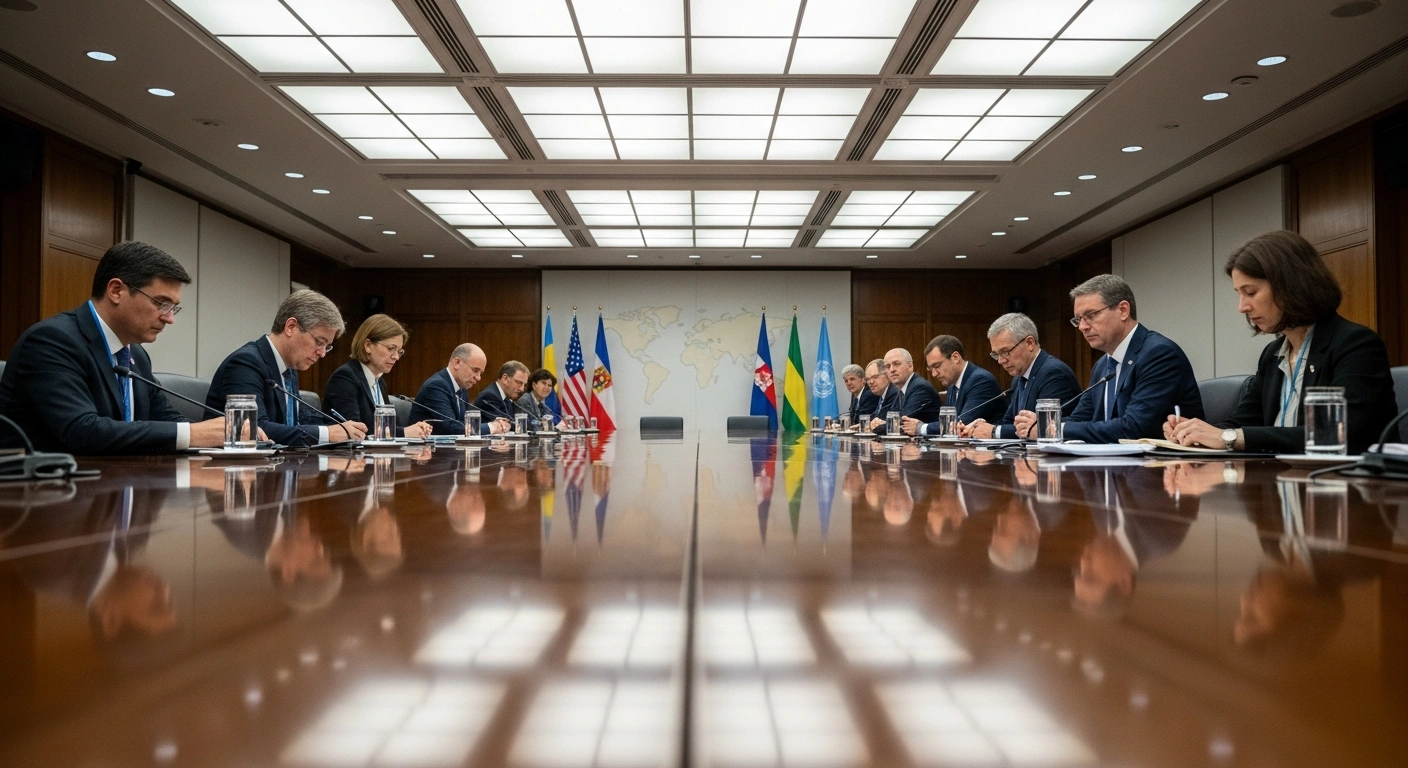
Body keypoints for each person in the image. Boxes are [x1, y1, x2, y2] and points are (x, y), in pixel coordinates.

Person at [1164, 230, 1397, 454]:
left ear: (1291, 286)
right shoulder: (1273, 354)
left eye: (1251, 292)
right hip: (1281, 482)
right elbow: (1243, 422)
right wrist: (1195, 431)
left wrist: (1228, 438)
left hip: (1350, 486)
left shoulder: (1355, 345)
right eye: (1239, 293)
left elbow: (1334, 434)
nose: (1242, 307)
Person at [0, 241, 228, 454]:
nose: (169, 319)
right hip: (41, 489)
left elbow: (163, 416)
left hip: (114, 482)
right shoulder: (51, 341)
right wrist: (194, 434)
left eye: (173, 308)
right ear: (116, 290)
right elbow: (81, 431)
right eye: (161, 303)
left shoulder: (135, 353)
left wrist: (223, 437)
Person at [206, 289, 366, 446]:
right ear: (291, 327)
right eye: (319, 342)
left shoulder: (289, 369)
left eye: (327, 346)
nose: (322, 353)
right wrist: (328, 433)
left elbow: (294, 424)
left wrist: (340, 429)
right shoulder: (245, 363)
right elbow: (255, 429)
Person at [1059, 275, 1204, 443]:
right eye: (1078, 319)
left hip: (1166, 466)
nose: (1083, 326)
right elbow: (1080, 419)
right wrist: (1045, 427)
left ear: (1123, 310)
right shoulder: (1102, 365)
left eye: (1091, 315)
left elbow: (1134, 428)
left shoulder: (1159, 354)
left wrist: (1058, 429)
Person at [962, 313, 1081, 439]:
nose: (1001, 361)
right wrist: (980, 426)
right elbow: (1009, 422)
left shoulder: (1054, 373)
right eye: (996, 354)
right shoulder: (1019, 377)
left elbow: (1045, 428)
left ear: (1029, 343)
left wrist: (994, 431)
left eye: (1005, 352)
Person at [322, 314, 432, 439]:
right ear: (368, 345)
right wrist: (406, 432)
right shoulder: (345, 378)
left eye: (399, 351)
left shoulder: (379, 381)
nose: (396, 357)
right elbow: (356, 431)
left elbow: (388, 427)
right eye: (391, 348)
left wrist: (415, 430)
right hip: (346, 457)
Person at [904, 334, 1002, 436]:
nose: (934, 374)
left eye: (937, 366)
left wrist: (922, 428)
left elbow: (963, 422)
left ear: (955, 357)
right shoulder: (952, 385)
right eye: (930, 369)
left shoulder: (981, 380)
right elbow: (950, 422)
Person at [409, 343, 510, 435]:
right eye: (475, 370)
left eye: (480, 373)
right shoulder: (436, 386)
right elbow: (450, 427)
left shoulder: (461, 388)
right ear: (457, 363)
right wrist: (490, 427)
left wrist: (496, 424)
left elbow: (464, 424)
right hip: (425, 452)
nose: (478, 378)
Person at [870, 348, 942, 434]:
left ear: (910, 366)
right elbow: (889, 416)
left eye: (896, 364)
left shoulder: (919, 387)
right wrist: (874, 422)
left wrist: (875, 427)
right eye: (887, 367)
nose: (892, 370)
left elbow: (900, 421)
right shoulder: (901, 390)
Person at [862, 359, 900, 427]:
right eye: (868, 379)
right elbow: (876, 416)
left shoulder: (895, 393)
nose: (871, 382)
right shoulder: (881, 394)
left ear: (887, 375)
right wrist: (862, 424)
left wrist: (867, 426)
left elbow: (884, 421)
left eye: (875, 377)